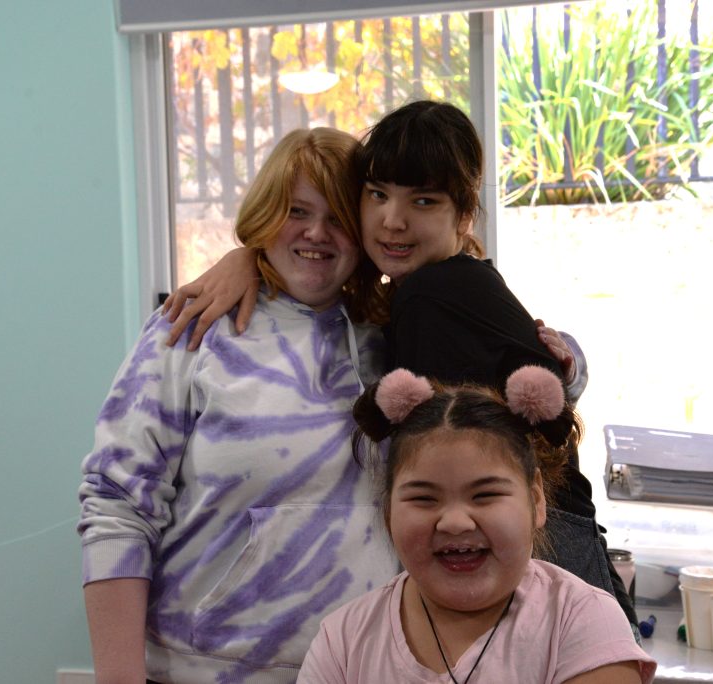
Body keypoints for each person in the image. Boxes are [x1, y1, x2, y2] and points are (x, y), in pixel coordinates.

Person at [161, 100, 637, 631]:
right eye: (377, 194)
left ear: (463, 214)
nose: (392, 220)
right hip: (543, 541)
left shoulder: (433, 294)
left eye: (423, 200)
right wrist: (247, 257)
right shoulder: (434, 286)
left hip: (541, 550)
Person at [77, 128, 399, 684]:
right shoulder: (195, 323)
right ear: (266, 214)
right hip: (200, 670)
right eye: (296, 210)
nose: (316, 233)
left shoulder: (395, 335)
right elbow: (117, 503)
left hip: (365, 667)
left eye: (339, 216)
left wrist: (565, 365)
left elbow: (533, 367)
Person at [297, 367, 656, 684]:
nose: (454, 522)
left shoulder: (583, 622)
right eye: (424, 499)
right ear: (389, 510)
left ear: (536, 500)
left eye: (485, 495)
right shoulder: (344, 640)